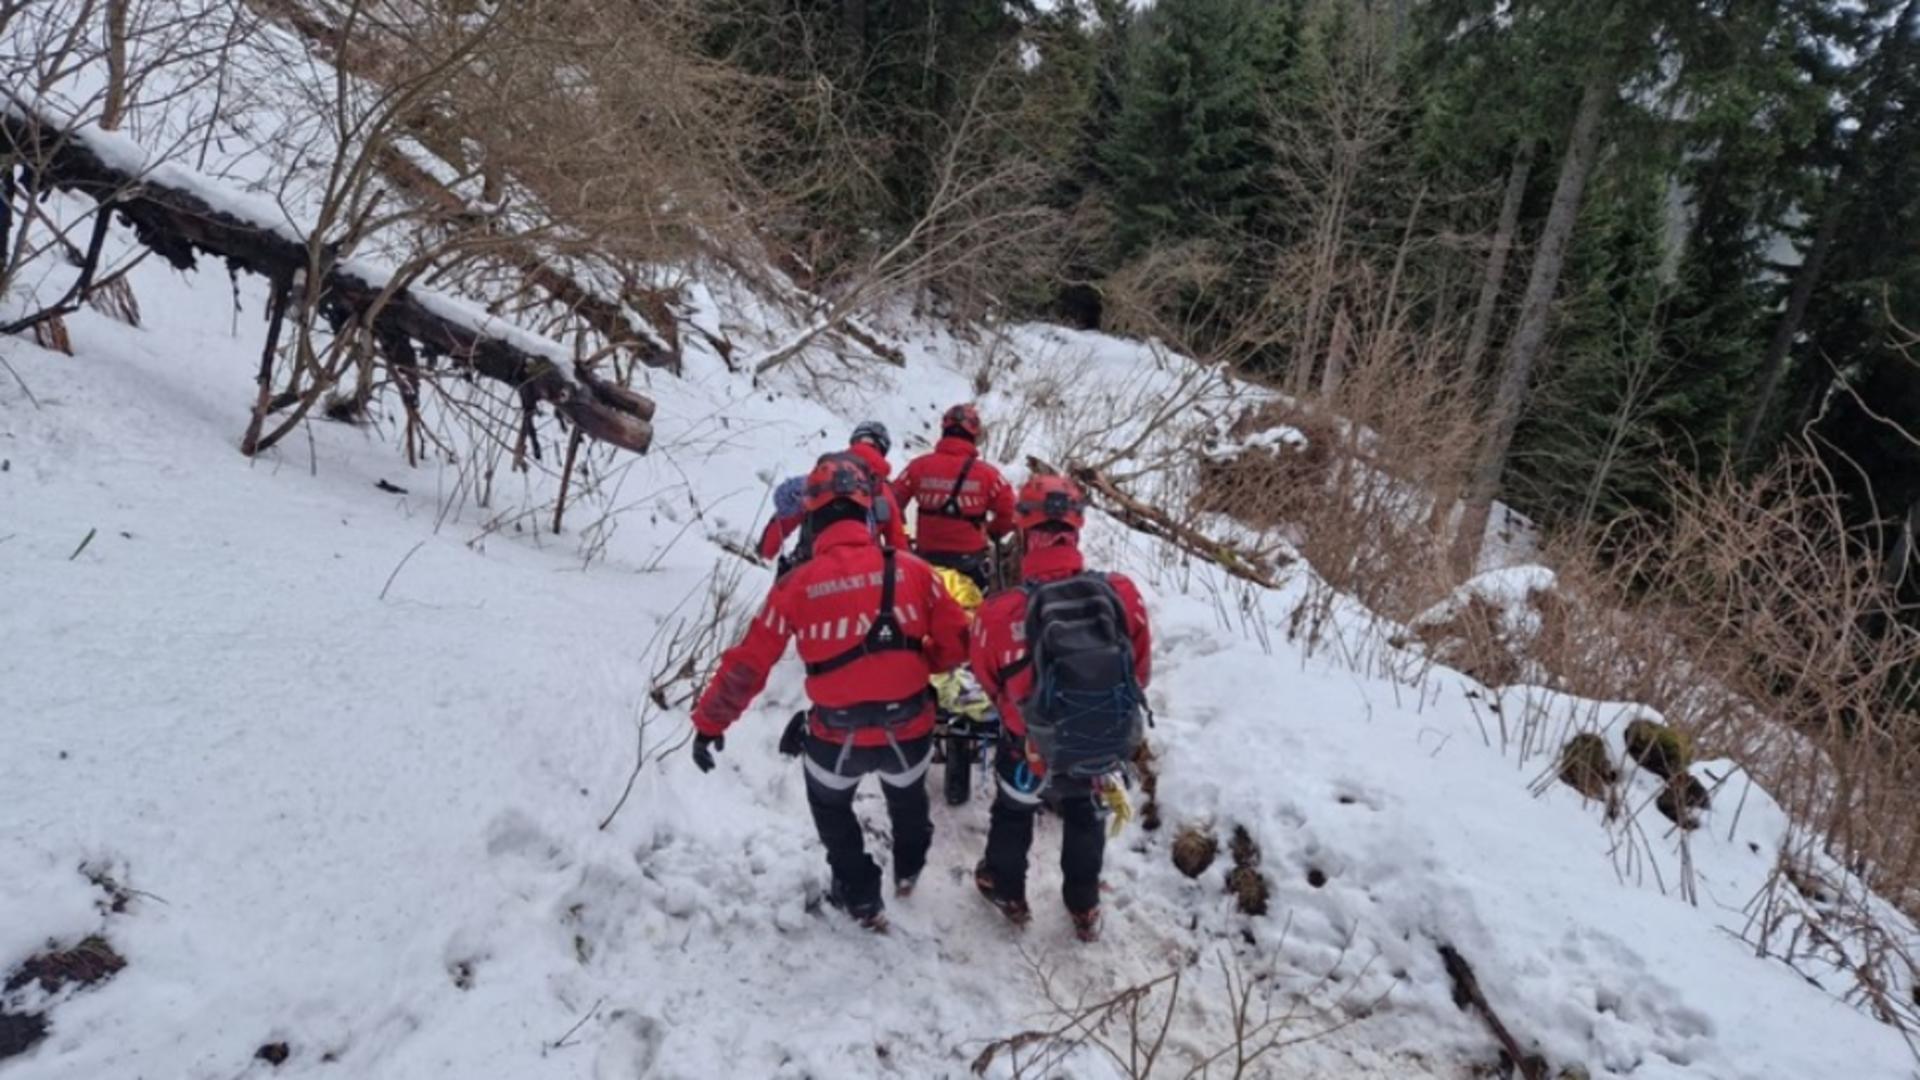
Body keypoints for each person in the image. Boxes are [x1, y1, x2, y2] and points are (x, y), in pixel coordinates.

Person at [691, 455, 971, 930]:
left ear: (814, 515)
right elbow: (956, 643)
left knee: (830, 807)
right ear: (865, 511)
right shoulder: (914, 571)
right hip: (909, 732)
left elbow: (750, 663)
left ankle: (861, 897)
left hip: (836, 739)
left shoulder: (796, 585)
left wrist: (710, 723)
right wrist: (916, 659)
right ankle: (908, 869)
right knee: (908, 800)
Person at [967, 475, 1152, 942]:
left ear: (1024, 530)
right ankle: (1083, 905)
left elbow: (989, 683)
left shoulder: (998, 613)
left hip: (1030, 748)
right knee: (1086, 812)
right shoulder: (1122, 594)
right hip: (1099, 741)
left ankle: (1006, 889)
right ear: (1078, 527)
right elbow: (1140, 672)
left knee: (1013, 810)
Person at [894, 404, 1015, 591]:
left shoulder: (918, 467)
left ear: (944, 431)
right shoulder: (989, 475)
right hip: (971, 564)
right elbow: (1009, 513)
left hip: (926, 561)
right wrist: (993, 530)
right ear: (974, 435)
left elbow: (891, 502)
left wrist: (903, 539)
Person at [756, 420, 908, 565]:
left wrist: (765, 552)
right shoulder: (883, 491)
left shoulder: (825, 475)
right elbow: (897, 543)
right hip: (861, 572)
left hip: (811, 565)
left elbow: (786, 516)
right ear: (883, 450)